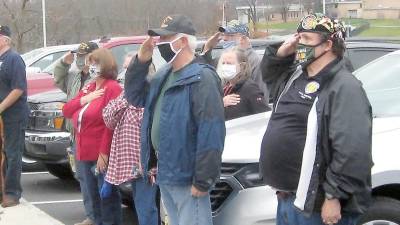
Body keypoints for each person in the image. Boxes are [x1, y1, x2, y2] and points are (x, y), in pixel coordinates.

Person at [259, 13, 373, 225]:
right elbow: (268, 75)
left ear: (328, 44)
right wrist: (281, 53)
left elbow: (352, 150)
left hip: (317, 207)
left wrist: (334, 196)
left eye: (307, 40)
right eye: (298, 37)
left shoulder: (344, 86)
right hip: (288, 199)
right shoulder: (296, 76)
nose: (300, 44)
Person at [124, 15, 225, 225]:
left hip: (187, 175)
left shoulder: (202, 77)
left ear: (183, 41)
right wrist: (141, 61)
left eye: (166, 38)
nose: (160, 44)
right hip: (165, 170)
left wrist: (203, 180)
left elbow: (211, 131)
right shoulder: (164, 74)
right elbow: (135, 96)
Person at [62, 48, 122, 225]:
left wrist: (104, 153)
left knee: (107, 198)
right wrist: (84, 99)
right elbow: (67, 110)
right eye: (90, 63)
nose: (92, 66)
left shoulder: (112, 88)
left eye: (95, 63)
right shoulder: (89, 87)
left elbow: (111, 124)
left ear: (105, 65)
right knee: (92, 196)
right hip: (83, 150)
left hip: (100, 153)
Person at [53, 41, 99, 225]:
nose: (82, 60)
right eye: (80, 56)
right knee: (83, 177)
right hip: (75, 134)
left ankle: (100, 216)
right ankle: (91, 215)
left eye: (85, 56)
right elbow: (58, 78)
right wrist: (64, 62)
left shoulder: (98, 77)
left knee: (95, 177)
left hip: (92, 133)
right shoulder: (75, 76)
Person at [103, 89, 159, 225]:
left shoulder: (151, 98)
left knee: (147, 209)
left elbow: (152, 131)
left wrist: (147, 164)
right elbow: (108, 118)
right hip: (130, 166)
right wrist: (127, 100)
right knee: (141, 208)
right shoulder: (125, 95)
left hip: (147, 167)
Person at [203, 20, 270, 103]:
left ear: (242, 38)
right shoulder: (224, 58)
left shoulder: (255, 61)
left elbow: (261, 97)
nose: (224, 39)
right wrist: (207, 48)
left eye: (230, 35)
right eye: (224, 35)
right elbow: (206, 71)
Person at [0, 25, 29, 208]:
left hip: (13, 115)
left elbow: (18, 88)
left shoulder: (14, 59)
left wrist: (0, 107)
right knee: (2, 154)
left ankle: (12, 193)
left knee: (12, 153)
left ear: (4, 39)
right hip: (2, 117)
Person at [217, 47, 269, 120]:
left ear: (242, 66)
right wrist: (220, 104)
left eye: (229, 63)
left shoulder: (249, 88)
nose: (225, 66)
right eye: (223, 63)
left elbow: (263, 114)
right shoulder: (224, 86)